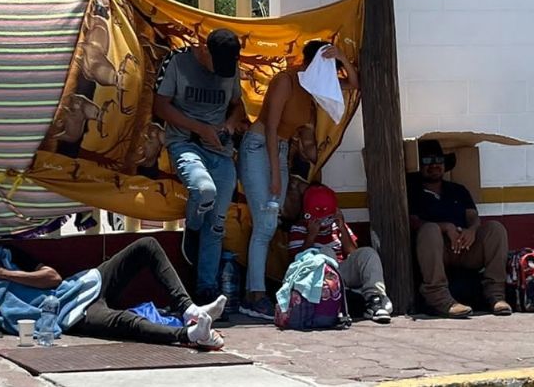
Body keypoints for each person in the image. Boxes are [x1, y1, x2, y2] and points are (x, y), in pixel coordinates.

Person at [0, 222, 227, 349]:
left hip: (78, 287)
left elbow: (53, 278)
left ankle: (189, 309)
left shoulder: (8, 257)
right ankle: (188, 335)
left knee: (146, 244)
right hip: (67, 316)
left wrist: (5, 273)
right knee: (126, 322)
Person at [239, 40, 358, 320]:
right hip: (259, 147)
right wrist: (276, 174)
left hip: (279, 150)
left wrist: (341, 56)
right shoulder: (287, 80)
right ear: (309, 63)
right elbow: (269, 126)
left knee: (270, 219)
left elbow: (354, 84)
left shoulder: (315, 85)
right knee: (266, 222)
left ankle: (255, 292)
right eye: (325, 66)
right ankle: (254, 295)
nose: (330, 74)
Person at [154, 28, 245, 305]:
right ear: (204, 49)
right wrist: (200, 129)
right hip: (186, 142)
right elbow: (159, 106)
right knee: (205, 191)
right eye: (216, 65)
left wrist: (228, 125)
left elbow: (238, 105)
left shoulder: (231, 67)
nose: (221, 72)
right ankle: (192, 228)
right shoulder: (178, 62)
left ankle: (206, 286)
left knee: (217, 224)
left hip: (219, 148)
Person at [408, 139, 512, 318]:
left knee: (496, 228)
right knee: (430, 230)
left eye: (438, 161)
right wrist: (446, 227)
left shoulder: (458, 190)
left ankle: (496, 296)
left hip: (464, 246)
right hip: (436, 252)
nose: (434, 165)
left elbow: (473, 217)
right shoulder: (412, 191)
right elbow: (413, 223)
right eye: (427, 161)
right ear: (419, 165)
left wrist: (471, 230)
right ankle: (438, 297)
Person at [287, 183, 393, 323]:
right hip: (319, 277)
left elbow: (353, 252)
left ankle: (375, 301)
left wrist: (342, 227)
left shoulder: (336, 226)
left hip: (342, 271)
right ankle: (339, 300)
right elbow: (297, 260)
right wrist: (311, 236)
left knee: (367, 253)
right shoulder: (298, 229)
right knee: (325, 251)